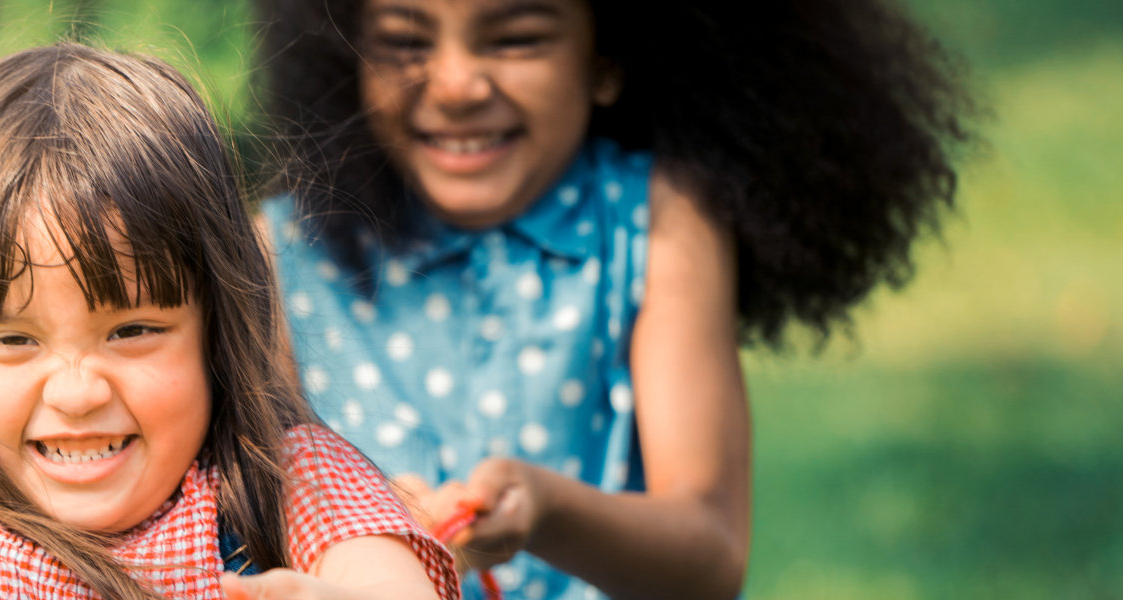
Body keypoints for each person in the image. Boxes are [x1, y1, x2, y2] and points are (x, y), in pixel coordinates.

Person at [252, 0, 976, 598]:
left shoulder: (659, 219)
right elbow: (242, 521)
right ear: (347, 54)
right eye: (407, 41)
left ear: (608, 56)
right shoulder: (283, 256)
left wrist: (546, 510)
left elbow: (711, 556)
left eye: (517, 39)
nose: (456, 83)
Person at [0, 43, 462, 600]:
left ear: (217, 329)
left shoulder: (291, 474)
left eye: (131, 331)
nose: (78, 393)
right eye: (13, 339)